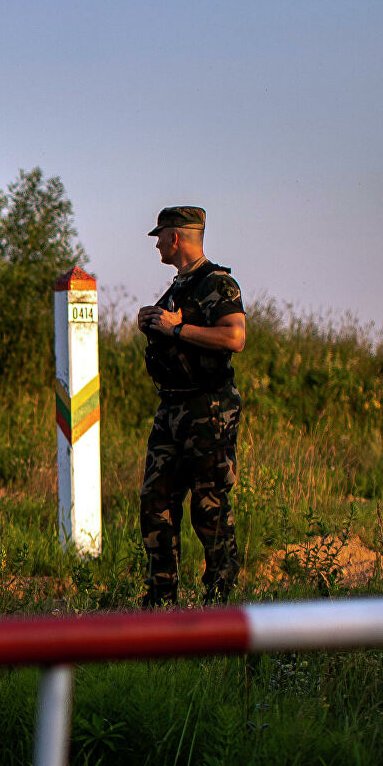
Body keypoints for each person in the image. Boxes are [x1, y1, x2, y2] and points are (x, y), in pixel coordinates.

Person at [135, 206, 248, 607]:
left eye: (160, 236)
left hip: (208, 409)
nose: (157, 243)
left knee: (209, 505)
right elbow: (170, 329)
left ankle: (220, 599)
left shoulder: (217, 283)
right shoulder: (178, 287)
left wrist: (176, 328)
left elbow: (234, 337)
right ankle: (161, 598)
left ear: (176, 238)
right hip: (172, 408)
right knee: (155, 500)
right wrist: (152, 321)